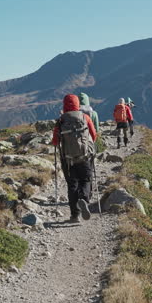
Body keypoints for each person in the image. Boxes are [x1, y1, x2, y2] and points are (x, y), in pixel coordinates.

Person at [51, 94, 97, 223]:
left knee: (72, 185)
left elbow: (55, 142)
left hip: (68, 160)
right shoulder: (85, 117)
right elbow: (93, 136)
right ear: (78, 104)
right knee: (86, 180)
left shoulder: (61, 121)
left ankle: (74, 216)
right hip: (85, 157)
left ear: (64, 105)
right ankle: (84, 199)